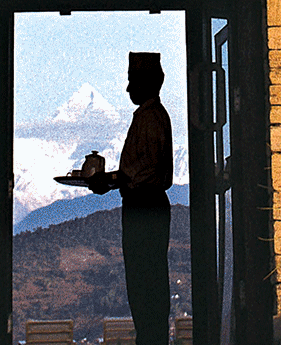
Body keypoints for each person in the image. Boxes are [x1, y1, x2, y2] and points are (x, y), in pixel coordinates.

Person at [90, 51, 173, 345]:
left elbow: (142, 171)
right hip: (147, 206)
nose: (128, 89)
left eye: (132, 81)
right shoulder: (151, 117)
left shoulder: (149, 119)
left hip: (144, 207)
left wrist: (110, 180)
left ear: (147, 82)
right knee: (147, 281)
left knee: (144, 283)